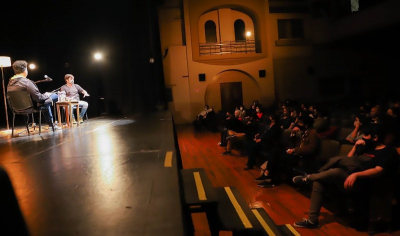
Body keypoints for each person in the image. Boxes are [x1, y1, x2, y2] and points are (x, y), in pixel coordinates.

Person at [292, 125, 399, 228]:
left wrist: (356, 175)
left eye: (366, 135)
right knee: (319, 181)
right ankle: (312, 220)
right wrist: (355, 147)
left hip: (365, 183)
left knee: (336, 172)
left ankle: (308, 178)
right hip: (348, 178)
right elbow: (348, 160)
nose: (363, 137)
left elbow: (378, 170)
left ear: (375, 137)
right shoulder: (366, 148)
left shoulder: (388, 152)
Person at [7, 60, 61, 131]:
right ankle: (51, 125)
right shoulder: (26, 82)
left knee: (44, 102)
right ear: (25, 69)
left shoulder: (9, 84)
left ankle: (51, 124)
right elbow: (39, 98)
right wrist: (47, 95)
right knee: (54, 96)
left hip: (15, 109)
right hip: (30, 107)